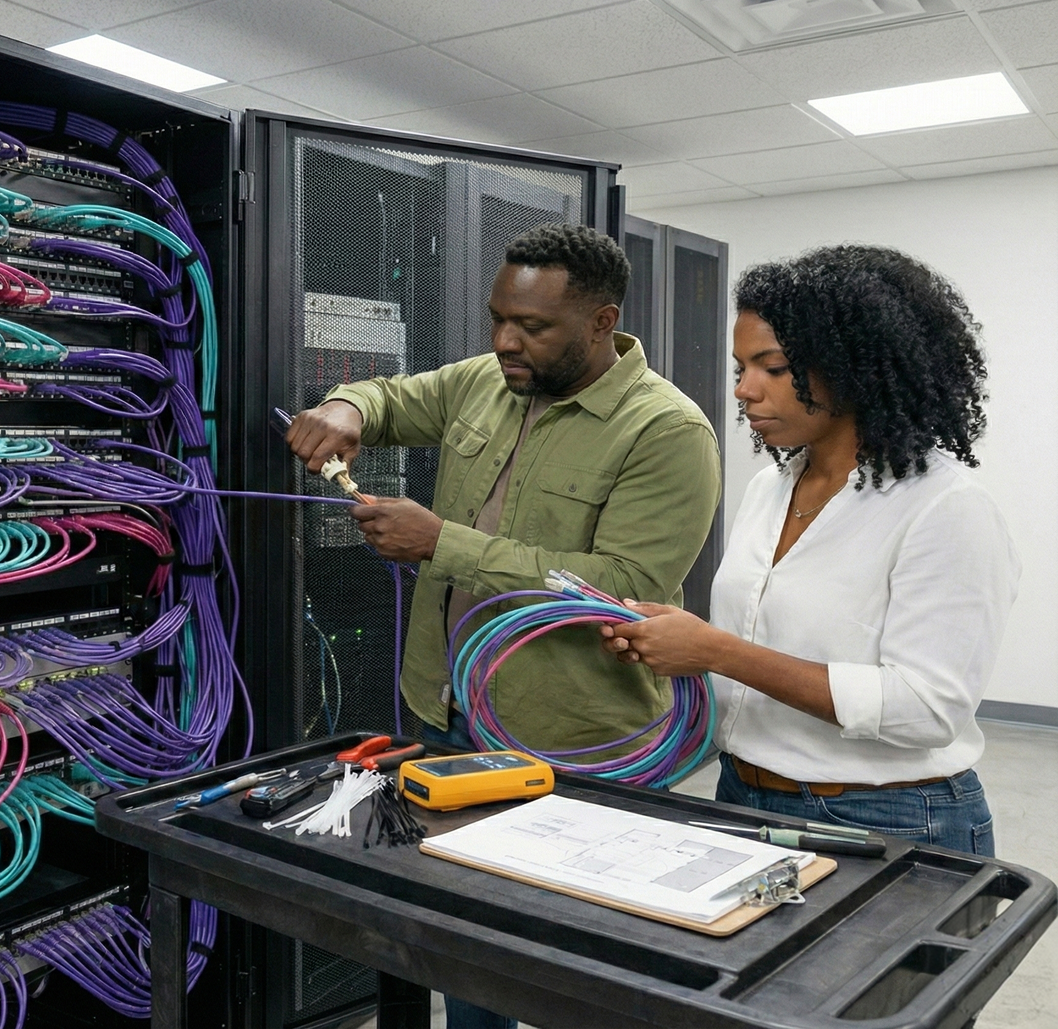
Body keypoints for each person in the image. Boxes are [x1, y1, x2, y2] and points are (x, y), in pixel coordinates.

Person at [288, 223, 721, 1029]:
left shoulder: (665, 430)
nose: (504, 342)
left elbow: (626, 586)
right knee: (466, 936)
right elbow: (391, 398)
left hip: (574, 736)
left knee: (573, 955)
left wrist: (442, 544)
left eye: (531, 326)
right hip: (449, 711)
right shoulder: (486, 381)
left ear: (601, 322)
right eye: (497, 318)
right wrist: (345, 406)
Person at [601, 244, 1019, 855]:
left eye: (772, 368)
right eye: (741, 367)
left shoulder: (946, 507)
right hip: (741, 791)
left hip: (889, 814)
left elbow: (928, 709)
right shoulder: (770, 489)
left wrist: (718, 651)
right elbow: (756, 644)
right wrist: (674, 643)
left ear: (851, 368)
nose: (744, 390)